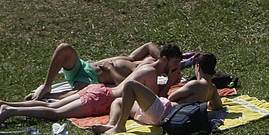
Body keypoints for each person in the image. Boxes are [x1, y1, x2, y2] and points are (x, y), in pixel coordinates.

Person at [0, 53, 167, 126]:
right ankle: (10, 111)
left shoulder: (143, 66)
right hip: (100, 99)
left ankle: (6, 104)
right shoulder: (150, 72)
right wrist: (167, 83)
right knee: (55, 112)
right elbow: (155, 101)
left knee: (53, 106)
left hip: (98, 90)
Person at [100, 52, 223, 133]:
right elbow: (217, 106)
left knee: (130, 85)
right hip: (161, 115)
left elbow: (172, 97)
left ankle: (120, 127)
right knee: (119, 102)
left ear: (198, 68)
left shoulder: (195, 84)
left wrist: (170, 82)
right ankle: (111, 125)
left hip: (165, 112)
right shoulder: (212, 88)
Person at [28, 42, 184, 100]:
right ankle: (47, 85)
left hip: (91, 80)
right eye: (176, 62)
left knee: (76, 94)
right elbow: (149, 45)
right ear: (164, 59)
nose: (177, 66)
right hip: (84, 66)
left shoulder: (148, 75)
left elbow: (124, 86)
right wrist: (162, 61)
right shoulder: (148, 62)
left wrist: (110, 68)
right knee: (64, 48)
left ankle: (47, 95)